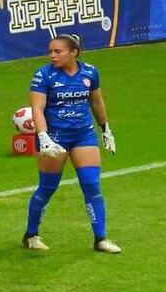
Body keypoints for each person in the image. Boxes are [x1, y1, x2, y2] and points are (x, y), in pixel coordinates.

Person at [24, 34, 120, 254]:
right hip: (54, 137)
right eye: (50, 51)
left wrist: (105, 129)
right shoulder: (43, 75)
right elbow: (37, 109)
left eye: (58, 51)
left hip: (83, 135)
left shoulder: (90, 72)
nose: (52, 56)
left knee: (92, 185)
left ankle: (101, 238)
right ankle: (31, 234)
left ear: (73, 52)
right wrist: (43, 137)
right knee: (48, 187)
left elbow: (96, 101)